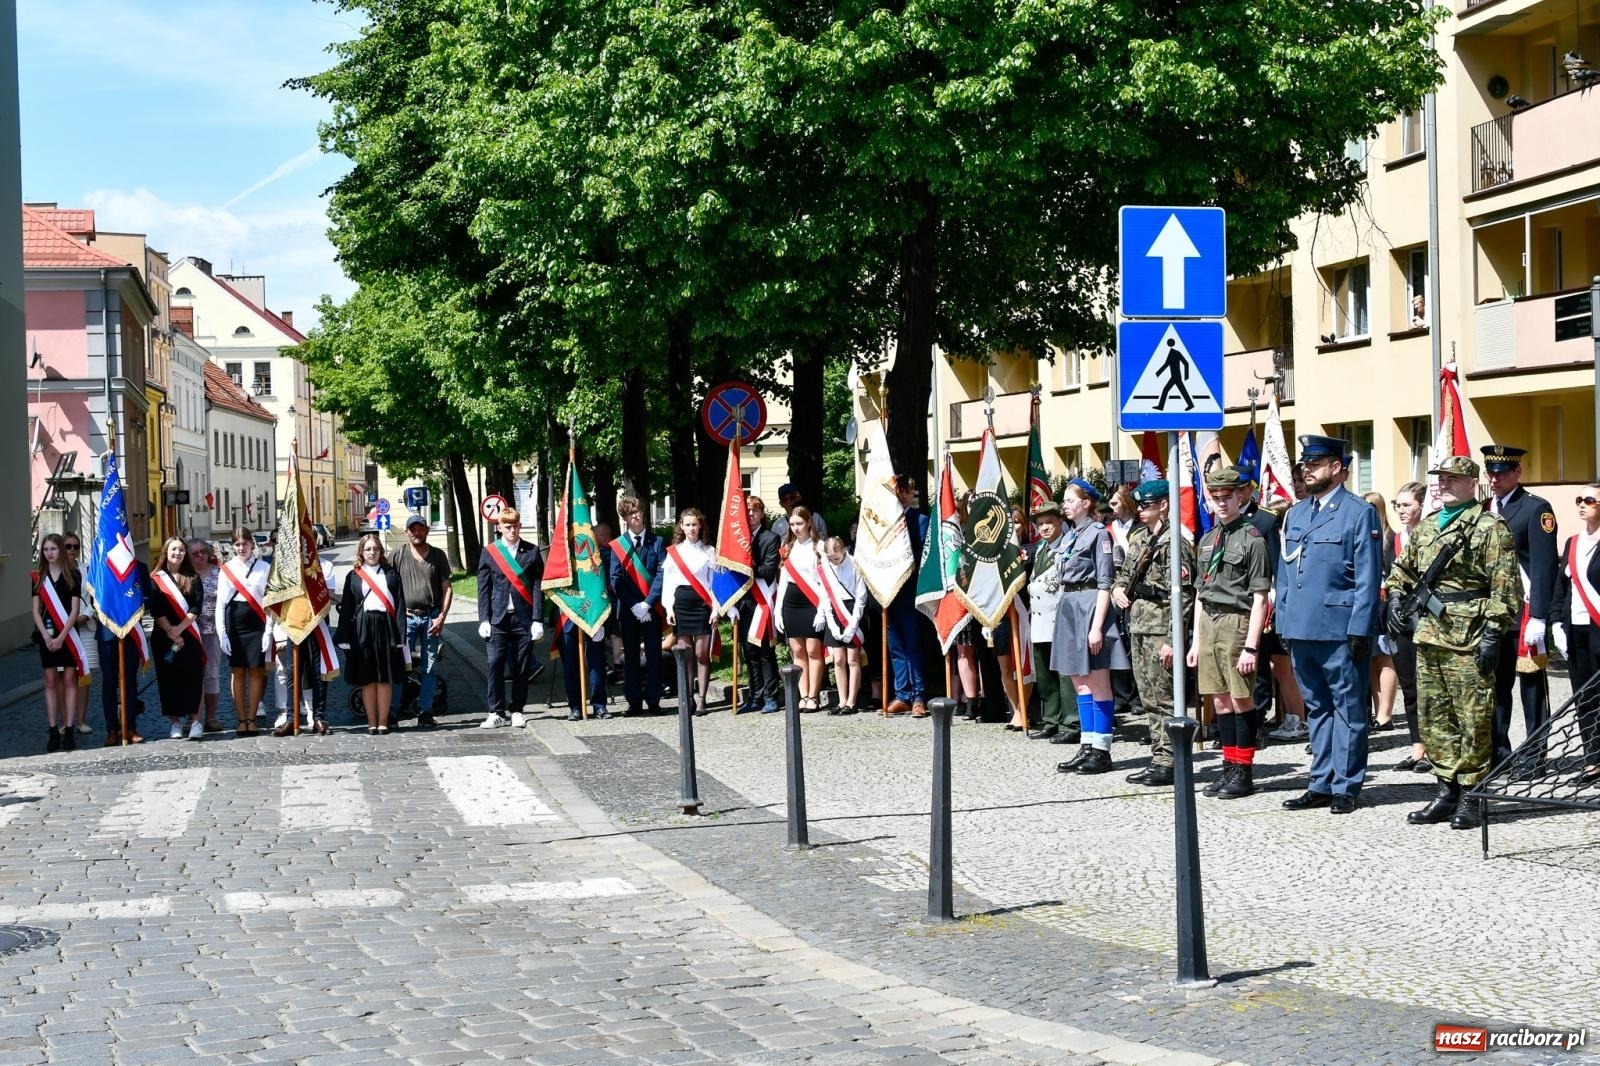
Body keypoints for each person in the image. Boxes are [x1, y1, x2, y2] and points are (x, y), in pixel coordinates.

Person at [1385, 456, 1521, 828]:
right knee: (1435, 717)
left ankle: (1472, 795)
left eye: (1451, 478)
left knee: (1473, 718)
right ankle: (1447, 790)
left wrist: (1493, 634)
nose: (1442, 484)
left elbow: (1506, 588)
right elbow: (1402, 569)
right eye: (1439, 478)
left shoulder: (1489, 527)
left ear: (1470, 483)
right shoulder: (1428, 527)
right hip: (1430, 636)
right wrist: (1396, 597)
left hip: (1470, 636)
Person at [1276, 438, 1383, 814]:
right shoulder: (1298, 513)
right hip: (1301, 627)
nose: (1307, 468)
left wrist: (1360, 627)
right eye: (1305, 462)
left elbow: (1368, 577)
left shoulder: (1358, 512)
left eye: (1316, 462)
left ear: (1337, 467)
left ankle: (1346, 785)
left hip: (1339, 628)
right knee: (1317, 707)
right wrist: (1284, 623)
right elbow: (1286, 574)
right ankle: (1320, 781)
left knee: (1348, 708)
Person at [1186, 466, 1270, 798]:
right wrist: (1195, 640)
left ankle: (1243, 772)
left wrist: (1251, 646)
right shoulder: (1207, 540)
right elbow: (1199, 595)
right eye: (1215, 497)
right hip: (1209, 624)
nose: (1221, 503)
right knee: (1219, 700)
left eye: (1227, 497)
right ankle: (1228, 767)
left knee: (1240, 698)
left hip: (1237, 622)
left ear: (1240, 496)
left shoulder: (1253, 539)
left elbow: (1261, 596)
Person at [1481, 444, 1558, 776]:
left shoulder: (1535, 509)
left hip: (1524, 613)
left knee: (1531, 689)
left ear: (1517, 473)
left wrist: (1540, 615)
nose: (1495, 479)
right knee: (1497, 688)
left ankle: (1535, 753)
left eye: (1501, 472)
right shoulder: (1484, 508)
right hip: (1494, 614)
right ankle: (1499, 751)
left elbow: (1543, 567)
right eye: (1491, 472)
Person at [1113, 480, 1195, 787]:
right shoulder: (1139, 538)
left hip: (1161, 628)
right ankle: (1159, 755)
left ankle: (1169, 760)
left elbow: (1182, 595)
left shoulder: (1175, 543)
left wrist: (1174, 640)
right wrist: (1117, 589)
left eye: (1146, 505)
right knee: (1148, 698)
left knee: (1163, 698)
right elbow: (1123, 574)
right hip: (1139, 625)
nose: (1141, 511)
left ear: (1163, 504)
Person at [1051, 479, 1129, 776]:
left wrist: (1097, 627)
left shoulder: (1099, 534)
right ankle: (1087, 743)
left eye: (1071, 501)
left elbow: (1105, 582)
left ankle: (1102, 748)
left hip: (1090, 607)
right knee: (1079, 681)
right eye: (1066, 501)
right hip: (1070, 605)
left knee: (1098, 682)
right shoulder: (1070, 535)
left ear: (1086, 503)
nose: (1065, 505)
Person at [477, 507, 545, 728]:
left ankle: (517, 709)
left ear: (519, 526)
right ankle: (495, 711)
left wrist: (538, 619)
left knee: (521, 666)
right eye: (507, 527)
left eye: (515, 526)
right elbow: (483, 588)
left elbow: (537, 587)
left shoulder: (532, 552)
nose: (512, 530)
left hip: (523, 618)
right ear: (499, 528)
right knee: (494, 663)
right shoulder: (490, 552)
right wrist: (483, 619)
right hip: (498, 618)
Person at [336, 533, 407, 735]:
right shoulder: (354, 576)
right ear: (361, 552)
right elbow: (348, 609)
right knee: (367, 677)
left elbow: (400, 605)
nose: (372, 552)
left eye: (375, 549)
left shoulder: (392, 574)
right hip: (362, 628)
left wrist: (401, 635)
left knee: (384, 676)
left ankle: (383, 721)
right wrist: (343, 636)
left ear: (381, 552)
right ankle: (371, 722)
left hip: (386, 625)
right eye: (367, 549)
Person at [1554, 487, 1600, 785]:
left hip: (1599, 627)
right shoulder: (1572, 543)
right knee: (1584, 697)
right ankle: (1593, 761)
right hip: (1576, 629)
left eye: (1590, 500)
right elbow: (1561, 588)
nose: (1582, 505)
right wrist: (1556, 622)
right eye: (1579, 500)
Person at [608, 496, 667, 715]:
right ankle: (633, 702)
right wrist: (634, 605)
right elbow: (615, 578)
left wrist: (648, 603)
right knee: (630, 656)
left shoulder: (658, 542)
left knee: (653, 654)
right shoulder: (618, 545)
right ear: (624, 518)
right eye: (630, 514)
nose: (636, 516)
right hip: (629, 609)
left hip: (652, 608)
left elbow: (662, 573)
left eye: (638, 512)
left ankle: (653, 700)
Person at [392, 513, 452, 728]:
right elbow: (386, 585)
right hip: (406, 618)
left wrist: (442, 617)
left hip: (431, 618)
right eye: (413, 529)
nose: (417, 532)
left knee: (429, 667)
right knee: (400, 667)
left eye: (421, 529)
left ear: (427, 530)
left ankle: (425, 711)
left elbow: (447, 588)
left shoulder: (437, 555)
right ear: (407, 532)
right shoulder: (397, 555)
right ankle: (393, 711)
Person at [1026, 502, 1077, 744]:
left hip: (1059, 618)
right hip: (1040, 620)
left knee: (1065, 674)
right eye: (1040, 524)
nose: (1044, 528)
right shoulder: (1042, 549)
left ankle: (1071, 722)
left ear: (1059, 522)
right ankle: (1051, 719)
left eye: (1049, 522)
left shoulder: (1067, 546)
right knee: (1045, 674)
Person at [215, 526, 271, 737]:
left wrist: (268, 631)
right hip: (235, 623)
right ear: (233, 546)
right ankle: (241, 719)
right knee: (238, 671)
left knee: (256, 671)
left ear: (251, 544)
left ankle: (252, 718)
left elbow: (269, 602)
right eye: (237, 544)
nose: (241, 548)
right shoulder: (226, 569)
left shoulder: (263, 568)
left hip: (257, 622)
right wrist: (222, 633)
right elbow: (221, 603)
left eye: (244, 544)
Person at [149, 536, 206, 742]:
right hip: (164, 638)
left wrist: (180, 630)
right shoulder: (155, 578)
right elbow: (155, 609)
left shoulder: (193, 577)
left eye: (181, 550)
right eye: (174, 549)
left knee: (193, 678)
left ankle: (196, 722)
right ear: (166, 552)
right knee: (169, 679)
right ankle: (175, 723)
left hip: (189, 635)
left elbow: (195, 608)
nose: (178, 553)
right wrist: (171, 632)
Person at [662, 508, 719, 715]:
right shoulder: (674, 551)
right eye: (688, 524)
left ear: (700, 525)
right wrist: (668, 607)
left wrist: (716, 609)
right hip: (681, 604)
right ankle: (688, 698)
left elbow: (714, 584)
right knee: (685, 653)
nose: (691, 528)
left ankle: (702, 699)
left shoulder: (709, 551)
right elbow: (668, 583)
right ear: (682, 527)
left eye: (695, 524)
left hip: (703, 604)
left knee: (701, 653)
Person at [32, 533, 83, 752]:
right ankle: (53, 730)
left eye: (53, 549)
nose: (49, 553)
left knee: (70, 679)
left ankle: (69, 729)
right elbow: (35, 610)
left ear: (60, 550)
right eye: (46, 550)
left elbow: (75, 610)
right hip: (47, 635)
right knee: (50, 680)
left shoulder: (72, 575)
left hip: (68, 635)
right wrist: (45, 636)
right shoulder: (38, 577)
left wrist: (62, 637)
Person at [885, 475, 929, 717]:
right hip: (890, 591)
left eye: (908, 491)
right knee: (896, 647)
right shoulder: (885, 521)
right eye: (900, 490)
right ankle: (902, 693)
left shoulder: (920, 520)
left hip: (911, 591)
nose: (903, 495)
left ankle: (918, 696)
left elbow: (923, 555)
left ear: (913, 493)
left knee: (913, 645)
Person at [740, 496, 782, 714]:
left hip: (762, 601)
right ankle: (754, 696)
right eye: (747, 511)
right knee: (749, 653)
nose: (751, 515)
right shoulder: (738, 540)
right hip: (745, 603)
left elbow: (767, 570)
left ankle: (771, 696)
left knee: (765, 652)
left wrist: (746, 568)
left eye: (755, 511)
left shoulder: (771, 538)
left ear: (762, 514)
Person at [1365, 491, 1401, 732]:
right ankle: (1378, 711)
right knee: (1370, 660)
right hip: (1368, 605)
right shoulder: (1366, 536)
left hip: (1385, 605)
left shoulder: (1391, 538)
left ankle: (1385, 713)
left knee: (1385, 658)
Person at [818, 536, 866, 714]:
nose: (834, 562)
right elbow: (825, 595)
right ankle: (841, 700)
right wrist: (830, 620)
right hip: (835, 610)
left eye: (837, 558)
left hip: (851, 610)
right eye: (830, 559)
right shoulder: (826, 567)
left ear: (844, 550)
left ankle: (852, 702)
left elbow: (861, 597)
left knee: (853, 659)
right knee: (838, 660)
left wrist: (853, 625)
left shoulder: (855, 564)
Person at [188, 540, 224, 733]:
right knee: (191, 676)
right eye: (195, 553)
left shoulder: (219, 574)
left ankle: (210, 717)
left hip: (212, 631)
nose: (200, 556)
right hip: (189, 631)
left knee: (211, 674)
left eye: (203, 552)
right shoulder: (185, 575)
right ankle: (192, 719)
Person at [61, 534, 95, 736]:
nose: (72, 550)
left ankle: (81, 720)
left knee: (84, 676)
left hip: (85, 628)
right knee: (64, 677)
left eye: (76, 546)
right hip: (62, 631)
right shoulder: (54, 572)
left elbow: (92, 600)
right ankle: (66, 721)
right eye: (68, 546)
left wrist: (86, 616)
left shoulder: (86, 570)